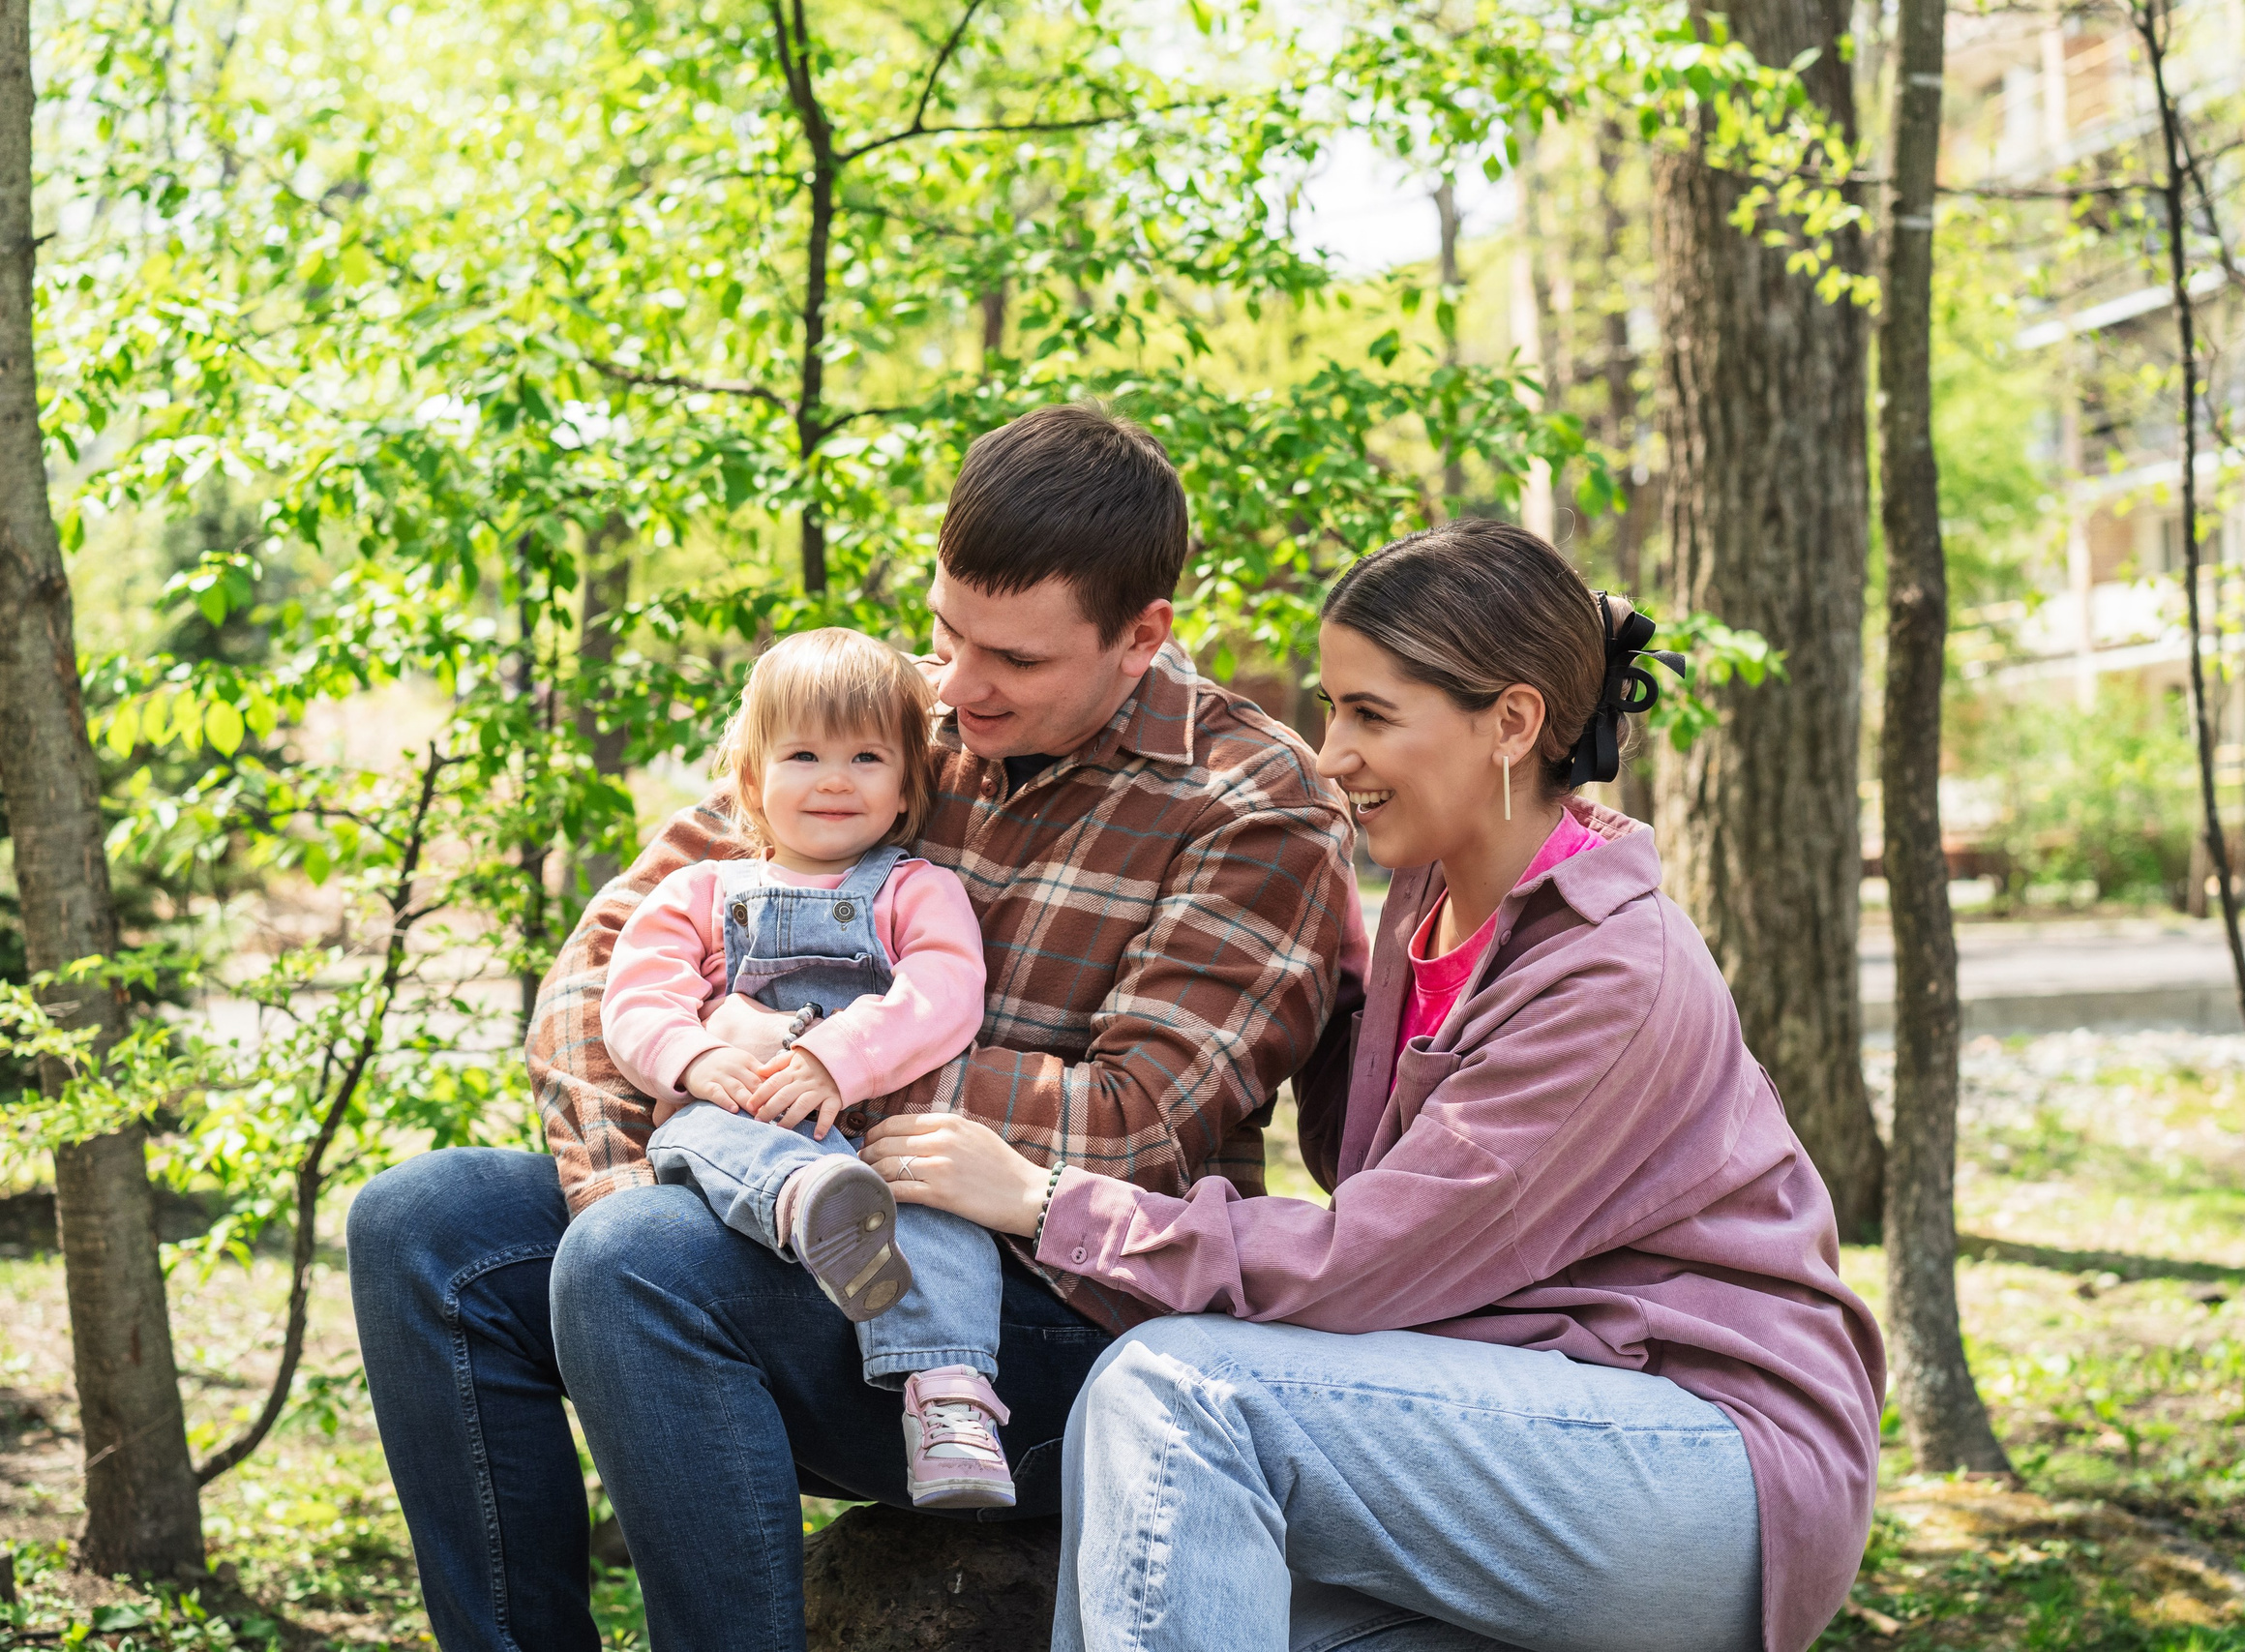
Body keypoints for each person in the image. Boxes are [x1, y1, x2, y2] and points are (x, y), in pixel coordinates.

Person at [344, 402, 1359, 1652]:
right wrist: (629, 1171)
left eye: (1017, 661)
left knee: (638, 1266)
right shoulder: (883, 713)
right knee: (424, 1227)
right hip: (768, 1207)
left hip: (1038, 1315)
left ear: (1141, 634)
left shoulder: (1254, 807)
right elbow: (610, 955)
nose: (959, 688)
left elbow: (1137, 1127)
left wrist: (806, 1069)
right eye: (947, 631)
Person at [866, 521, 1888, 1652]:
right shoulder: (1427, 907)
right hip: (1506, 1415)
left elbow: (1375, 1258)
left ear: (1511, 721)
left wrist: (1050, 1202)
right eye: (1329, 706)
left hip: (1703, 1460)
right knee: (1155, 1573)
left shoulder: (1613, 971)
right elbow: (1347, 1126)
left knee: (1176, 1392)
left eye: (1368, 715)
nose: (1327, 753)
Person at [601, 624, 1022, 1509]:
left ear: (908, 784)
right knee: (703, 1133)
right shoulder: (700, 893)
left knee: (946, 1224)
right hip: (745, 1122)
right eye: (803, 754)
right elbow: (635, 998)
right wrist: (697, 1056)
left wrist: (838, 1059)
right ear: (752, 780)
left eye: (867, 756)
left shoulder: (915, 889)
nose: (835, 778)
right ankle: (804, 1201)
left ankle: (951, 1409)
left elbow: (946, 990)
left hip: (868, 1137)